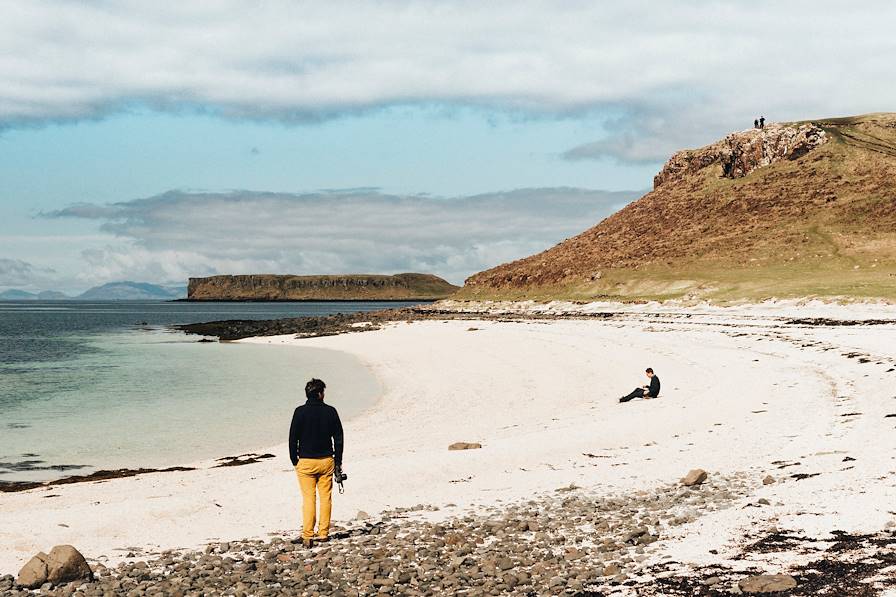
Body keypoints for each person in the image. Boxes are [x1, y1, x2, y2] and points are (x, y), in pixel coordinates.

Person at [289, 378, 344, 547]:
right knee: (325, 497)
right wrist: (338, 462)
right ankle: (323, 533)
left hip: (305, 462)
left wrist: (294, 460)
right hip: (326, 460)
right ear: (320, 394)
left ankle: (307, 534)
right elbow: (339, 438)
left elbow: (293, 438)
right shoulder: (331, 411)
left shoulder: (299, 412)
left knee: (308, 498)